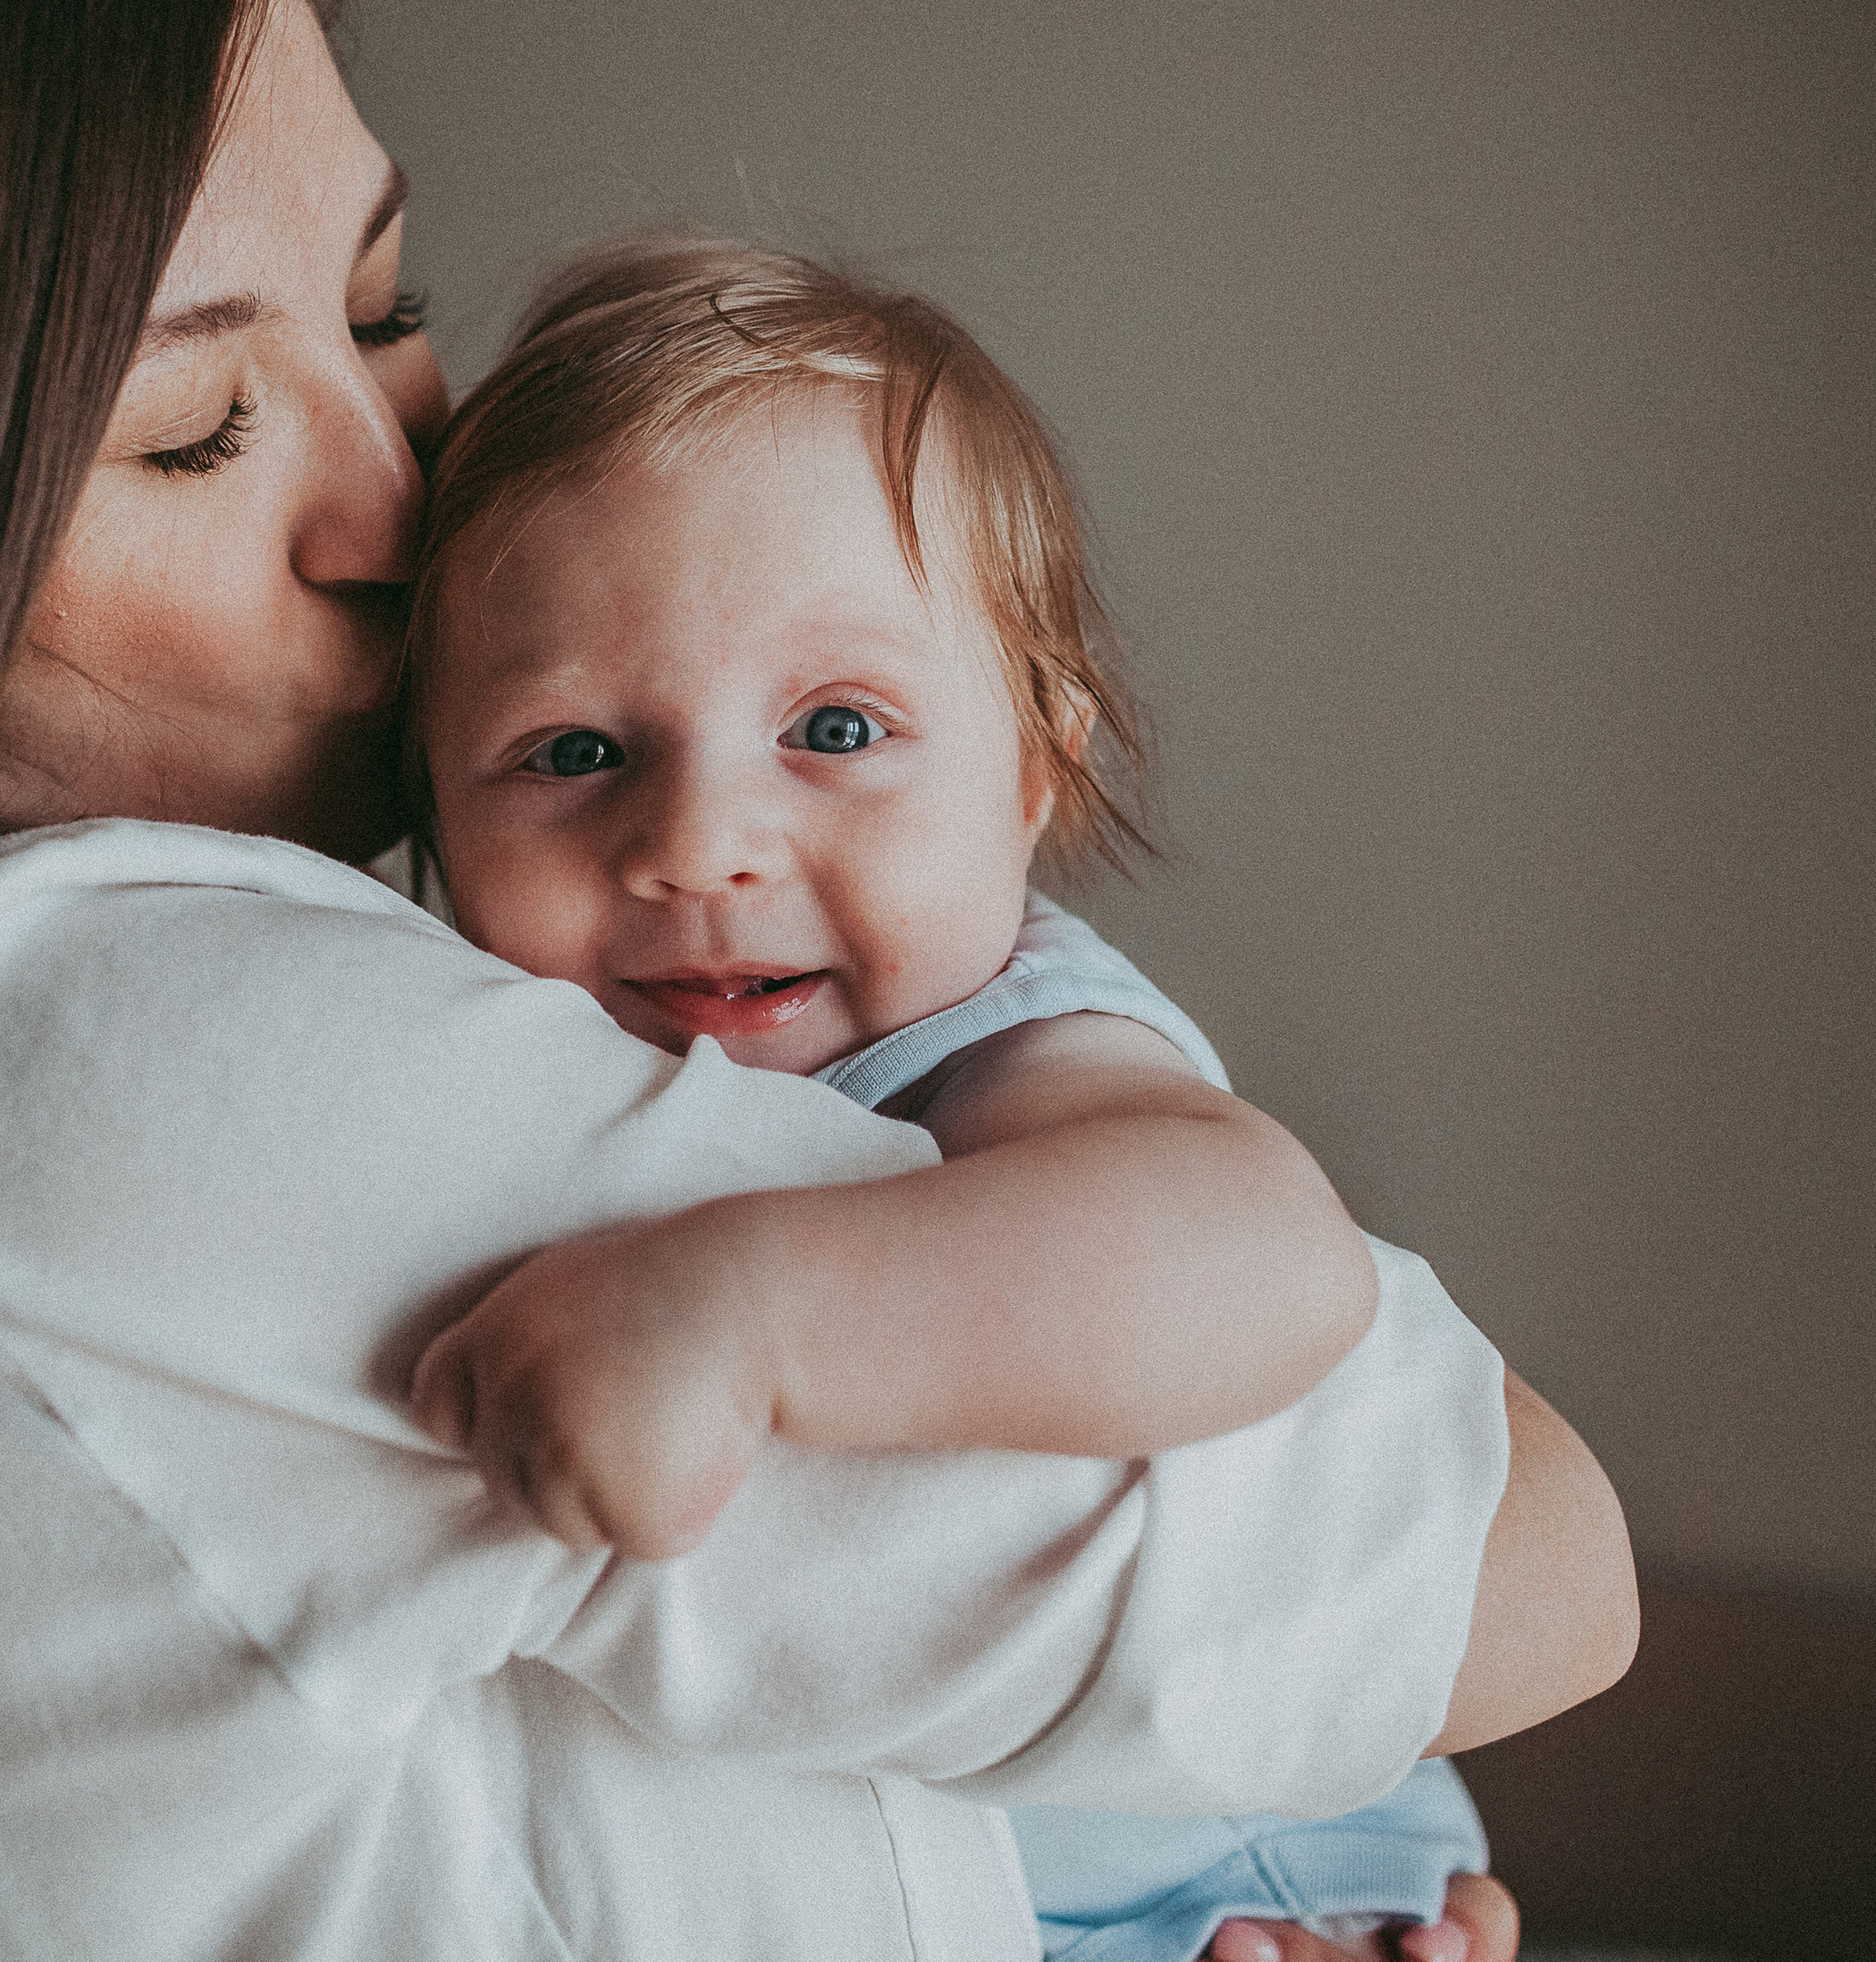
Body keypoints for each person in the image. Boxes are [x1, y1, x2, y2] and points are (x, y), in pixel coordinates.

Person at [0, 0, 1633, 1962]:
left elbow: (1406, 1453)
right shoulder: (82, 1027)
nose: (398, 497)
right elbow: (1509, 1559)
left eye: (383, 309)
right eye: (193, 432)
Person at [389, 240, 1499, 1961]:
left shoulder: (1004, 1039)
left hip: (1212, 1865)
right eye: (576, 754)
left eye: (835, 727)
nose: (698, 844)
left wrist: (748, 1315)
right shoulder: (466, 1029)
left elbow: (1272, 1257)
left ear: (1035, 770)